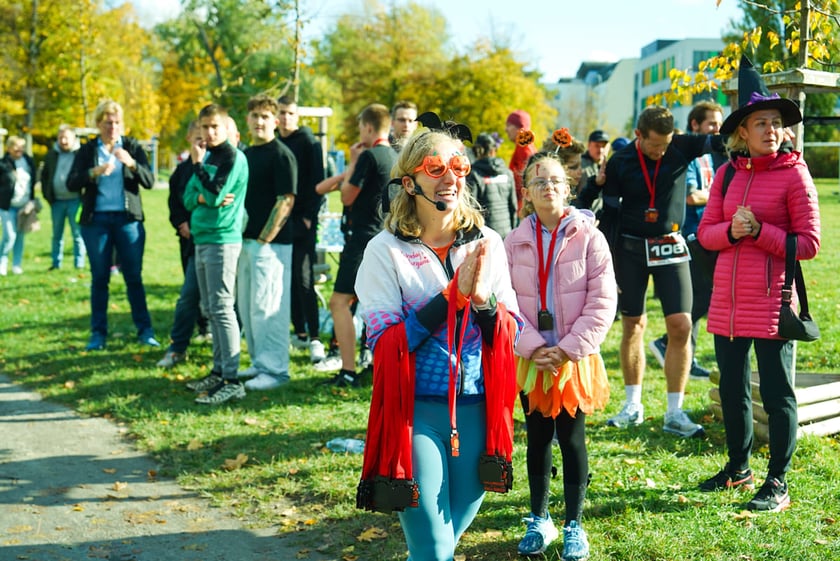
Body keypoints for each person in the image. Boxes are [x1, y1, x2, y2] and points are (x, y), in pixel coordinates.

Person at [355, 125, 521, 561]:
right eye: (436, 167)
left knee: (439, 548)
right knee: (433, 551)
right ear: (409, 181)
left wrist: (483, 305)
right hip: (414, 414)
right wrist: (448, 298)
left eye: (459, 165)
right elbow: (386, 343)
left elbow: (513, 330)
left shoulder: (488, 243)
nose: (451, 175)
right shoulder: (384, 250)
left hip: (478, 412)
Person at [697, 55, 820, 512]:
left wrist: (760, 233)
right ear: (741, 133)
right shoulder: (727, 174)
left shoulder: (795, 174)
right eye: (760, 123)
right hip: (728, 304)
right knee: (732, 389)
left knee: (777, 393)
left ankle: (778, 481)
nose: (770, 129)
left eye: (775, 123)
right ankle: (738, 468)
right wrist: (733, 230)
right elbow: (706, 234)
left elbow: (808, 243)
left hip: (772, 305)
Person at [505, 152, 615, 559]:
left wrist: (567, 350)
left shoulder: (590, 236)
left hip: (575, 358)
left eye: (555, 181)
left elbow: (603, 301)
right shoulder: (513, 241)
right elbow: (505, 302)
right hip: (531, 357)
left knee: (571, 439)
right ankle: (539, 517)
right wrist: (533, 346)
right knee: (536, 438)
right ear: (527, 193)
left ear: (567, 189)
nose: (547, 187)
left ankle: (574, 523)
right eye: (539, 182)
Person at [599, 105, 725, 437]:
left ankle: (675, 411)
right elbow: (609, 213)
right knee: (633, 326)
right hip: (630, 249)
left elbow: (723, 141)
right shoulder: (621, 161)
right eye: (655, 145)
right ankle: (632, 405)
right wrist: (608, 258)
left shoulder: (682, 146)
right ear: (639, 135)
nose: (661, 151)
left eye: (666, 144)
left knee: (681, 325)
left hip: (670, 245)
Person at [66, 100, 159, 350]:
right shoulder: (86, 151)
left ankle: (145, 331)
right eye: (108, 122)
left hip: (127, 220)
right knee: (99, 279)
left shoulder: (131, 146)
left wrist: (131, 163)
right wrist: (92, 173)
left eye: (117, 122)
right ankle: (98, 334)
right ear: (98, 124)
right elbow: (71, 183)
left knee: (133, 277)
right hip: (96, 222)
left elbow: (150, 181)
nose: (113, 127)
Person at [315, 103, 396, 387]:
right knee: (381, 305)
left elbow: (347, 196)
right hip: (388, 238)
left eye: (361, 126)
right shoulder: (396, 156)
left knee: (339, 302)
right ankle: (378, 368)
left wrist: (352, 163)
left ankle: (347, 369)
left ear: (369, 127)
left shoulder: (370, 156)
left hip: (362, 239)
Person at [649, 101, 726, 380]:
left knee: (701, 296)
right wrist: (721, 196)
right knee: (700, 297)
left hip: (707, 235)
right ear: (695, 125)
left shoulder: (709, 157)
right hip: (691, 237)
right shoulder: (690, 156)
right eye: (712, 124)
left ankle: (685, 356)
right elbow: (693, 196)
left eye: (720, 123)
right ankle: (667, 343)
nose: (717, 130)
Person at [182, 103, 249, 404]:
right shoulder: (207, 156)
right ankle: (219, 370)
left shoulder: (232, 157)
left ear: (226, 128)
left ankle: (232, 379)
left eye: (214, 127)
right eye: (204, 127)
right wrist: (203, 195)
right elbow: (189, 198)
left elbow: (214, 195)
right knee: (210, 306)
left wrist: (199, 172)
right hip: (202, 237)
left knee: (222, 307)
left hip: (223, 239)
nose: (209, 133)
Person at [237, 94, 297, 391]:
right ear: (247, 120)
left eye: (265, 117)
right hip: (246, 242)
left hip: (271, 246)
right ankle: (260, 362)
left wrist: (264, 239)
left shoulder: (281, 154)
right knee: (248, 307)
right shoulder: (247, 153)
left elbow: (286, 200)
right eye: (254, 116)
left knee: (268, 307)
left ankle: (276, 370)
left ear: (275, 121)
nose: (259, 122)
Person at [278, 95, 327, 364]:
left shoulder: (309, 143)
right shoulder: (274, 143)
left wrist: (308, 217)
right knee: (286, 279)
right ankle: (298, 331)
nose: (286, 118)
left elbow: (317, 181)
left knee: (304, 277)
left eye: (290, 113)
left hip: (303, 222)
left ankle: (315, 336)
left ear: (297, 117)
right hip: (279, 222)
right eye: (282, 113)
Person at [156, 121, 209, 369]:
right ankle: (179, 346)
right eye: (197, 136)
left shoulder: (216, 165)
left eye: (205, 136)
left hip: (213, 237)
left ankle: (210, 333)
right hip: (189, 239)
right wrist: (182, 225)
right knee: (189, 293)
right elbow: (175, 204)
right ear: (189, 138)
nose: (202, 141)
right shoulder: (181, 171)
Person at [41, 125, 86, 271]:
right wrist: (48, 196)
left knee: (77, 234)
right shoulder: (51, 155)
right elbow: (44, 176)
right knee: (57, 235)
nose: (64, 141)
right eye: (61, 138)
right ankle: (56, 263)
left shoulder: (81, 154)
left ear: (74, 138)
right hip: (57, 202)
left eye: (67, 137)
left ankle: (79, 264)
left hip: (75, 200)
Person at [466, 132, 517, 238]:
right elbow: (513, 206)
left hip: (486, 234)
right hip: (507, 232)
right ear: (494, 150)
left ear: (477, 150)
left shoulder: (474, 174)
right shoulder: (508, 173)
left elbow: (471, 208)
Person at [0, 136, 36, 276]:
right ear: (8, 148)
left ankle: (16, 264)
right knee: (9, 236)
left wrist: (31, 201)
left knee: (20, 236)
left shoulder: (28, 162)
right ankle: (2, 262)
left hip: (24, 205)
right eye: (16, 146)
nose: (19, 149)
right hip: (7, 205)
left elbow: (32, 183)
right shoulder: (3, 164)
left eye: (21, 146)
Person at [505, 110, 536, 209]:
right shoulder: (524, 148)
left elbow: (524, 183)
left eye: (509, 125)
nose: (506, 129)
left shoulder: (524, 150)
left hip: (523, 206)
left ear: (520, 128)